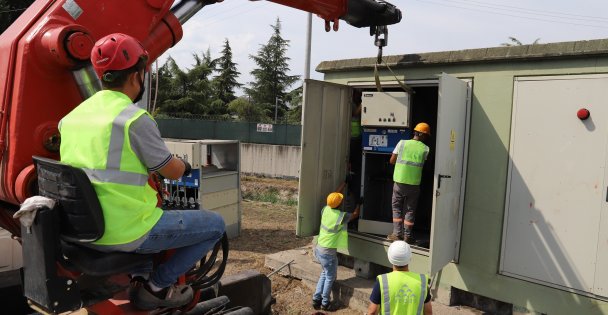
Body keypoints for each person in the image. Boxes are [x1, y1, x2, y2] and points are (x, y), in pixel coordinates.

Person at [58, 33, 225, 310]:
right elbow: (170, 170)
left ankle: (139, 274)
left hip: (83, 230)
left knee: (153, 211)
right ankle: (157, 286)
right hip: (125, 231)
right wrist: (184, 165)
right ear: (137, 75)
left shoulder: (71, 118)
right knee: (215, 225)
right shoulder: (133, 119)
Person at [312, 182, 361, 311]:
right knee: (330, 277)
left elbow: (333, 198)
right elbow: (355, 215)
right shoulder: (341, 216)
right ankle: (325, 303)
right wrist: (359, 204)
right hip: (328, 253)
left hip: (319, 249)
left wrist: (343, 185)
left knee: (324, 273)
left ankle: (316, 299)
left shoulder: (325, 209)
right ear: (339, 204)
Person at [388, 122, 431, 243]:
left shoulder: (402, 143)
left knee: (396, 207)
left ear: (415, 132)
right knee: (410, 209)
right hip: (414, 184)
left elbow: (392, 161)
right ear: (423, 135)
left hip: (400, 182)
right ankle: (407, 236)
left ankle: (397, 234)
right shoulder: (426, 149)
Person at [367, 241, 433, 315]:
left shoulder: (383, 282)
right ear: (410, 257)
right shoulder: (422, 281)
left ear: (389, 258)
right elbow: (428, 312)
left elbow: (372, 312)